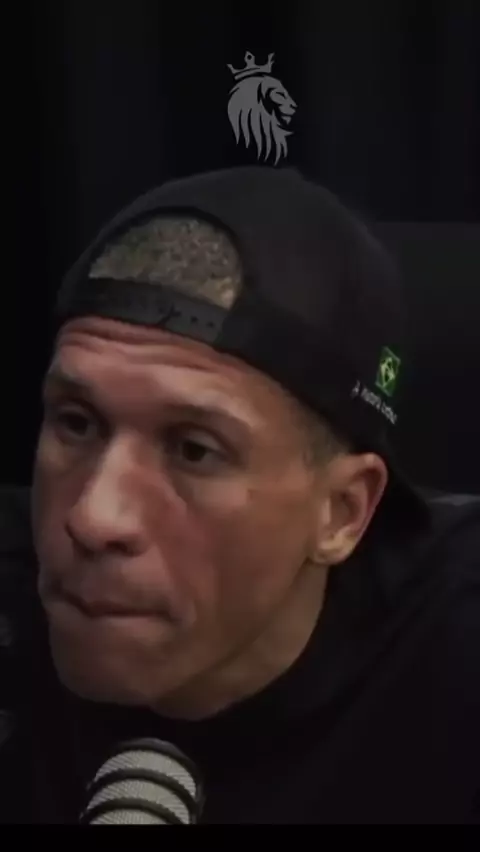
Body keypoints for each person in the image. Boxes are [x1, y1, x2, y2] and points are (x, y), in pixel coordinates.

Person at [0, 166, 479, 824]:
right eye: (77, 423)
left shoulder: (453, 653)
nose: (93, 516)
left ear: (341, 513)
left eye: (195, 450)